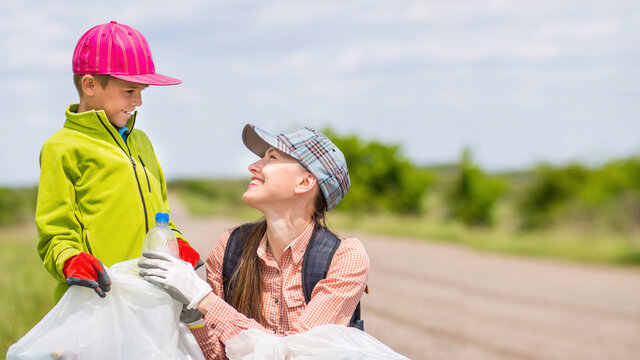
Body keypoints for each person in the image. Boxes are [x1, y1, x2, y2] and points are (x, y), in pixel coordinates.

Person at [139, 124, 370, 359]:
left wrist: (202, 297)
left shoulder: (345, 257)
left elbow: (293, 354)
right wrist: (193, 316)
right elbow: (221, 355)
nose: (253, 166)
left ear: (304, 182)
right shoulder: (229, 246)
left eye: (272, 157)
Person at [36, 21, 201, 303]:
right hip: (97, 298)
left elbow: (161, 216)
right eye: (128, 91)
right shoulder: (62, 147)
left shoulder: (142, 142)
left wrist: (177, 243)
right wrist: (69, 260)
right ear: (89, 85)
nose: (137, 101)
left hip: (151, 297)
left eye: (141, 91)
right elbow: (56, 231)